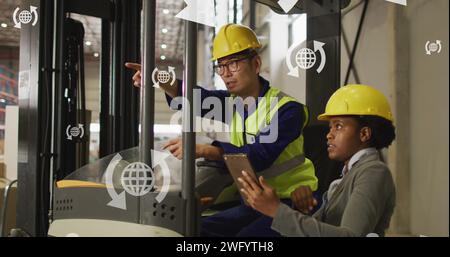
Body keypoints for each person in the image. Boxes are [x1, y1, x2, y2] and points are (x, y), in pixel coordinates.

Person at [125, 24, 318, 236]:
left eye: (233, 64)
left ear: (255, 64)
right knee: (193, 230)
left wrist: (204, 150)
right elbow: (195, 99)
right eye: (221, 66)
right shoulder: (231, 103)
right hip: (253, 203)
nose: (226, 74)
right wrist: (159, 79)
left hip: (290, 202)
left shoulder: (287, 109)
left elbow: (260, 157)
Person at [238, 84, 397, 237]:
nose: (329, 135)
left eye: (339, 126)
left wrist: (276, 210)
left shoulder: (373, 172)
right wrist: (303, 210)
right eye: (330, 127)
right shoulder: (347, 176)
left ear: (364, 134)